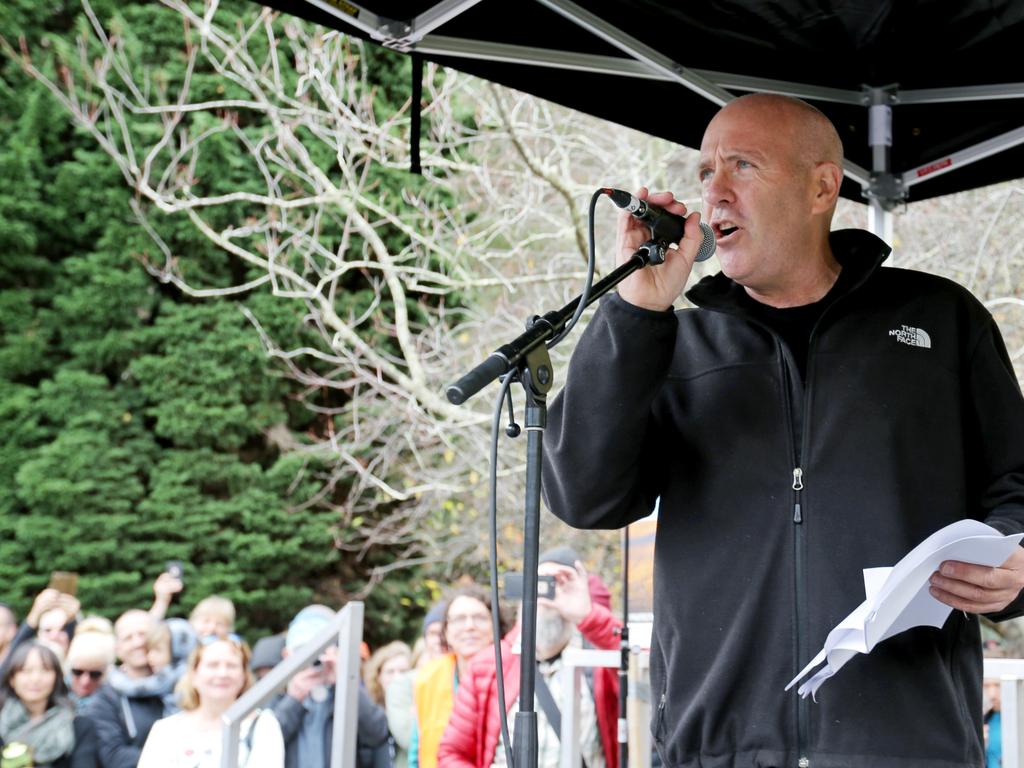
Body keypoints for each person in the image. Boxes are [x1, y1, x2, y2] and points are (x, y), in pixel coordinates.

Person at [542, 92, 1024, 767]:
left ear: (821, 186)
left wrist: (1014, 562)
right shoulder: (671, 342)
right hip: (721, 746)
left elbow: (1017, 484)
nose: (715, 191)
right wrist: (635, 314)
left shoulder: (940, 319)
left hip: (907, 742)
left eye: (743, 165)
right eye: (706, 171)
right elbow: (584, 496)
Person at [438, 548, 621, 768]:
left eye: (561, 583)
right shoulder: (490, 664)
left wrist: (588, 616)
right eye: (539, 583)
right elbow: (452, 752)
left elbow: (649, 674)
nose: (547, 595)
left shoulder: (597, 661)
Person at [271, 605, 390, 768]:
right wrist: (293, 700)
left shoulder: (344, 694)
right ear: (287, 655)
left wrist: (344, 681)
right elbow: (264, 745)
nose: (312, 661)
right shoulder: (275, 696)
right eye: (303, 651)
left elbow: (377, 732)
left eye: (319, 651)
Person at [138, 636, 284, 767]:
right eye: (213, 665)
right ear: (194, 674)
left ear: (244, 676)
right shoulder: (166, 730)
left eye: (231, 666)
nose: (222, 673)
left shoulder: (262, 724)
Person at [411, 586, 504, 768]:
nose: (470, 626)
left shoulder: (511, 673)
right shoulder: (428, 677)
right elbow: (417, 748)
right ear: (446, 631)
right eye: (459, 619)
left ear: (496, 627)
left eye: (479, 618)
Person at [0, 641, 99, 767]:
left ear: (57, 677)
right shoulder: (2, 724)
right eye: (26, 670)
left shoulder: (79, 727)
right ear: (12, 679)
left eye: (45, 670)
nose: (35, 678)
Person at [65, 619, 116, 715]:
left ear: (108, 672)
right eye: (78, 672)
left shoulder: (118, 703)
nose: (85, 681)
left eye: (95, 674)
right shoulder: (52, 694)